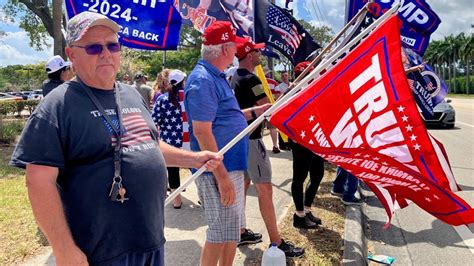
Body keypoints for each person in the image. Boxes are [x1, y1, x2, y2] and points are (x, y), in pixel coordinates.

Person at [10, 11, 222, 266]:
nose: (105, 52)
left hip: (150, 241)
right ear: (72, 54)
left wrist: (195, 158)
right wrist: (63, 249)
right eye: (93, 47)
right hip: (98, 253)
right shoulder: (56, 106)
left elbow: (149, 146)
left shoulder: (131, 95)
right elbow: (38, 181)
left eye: (112, 45)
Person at [184, 21, 269, 266]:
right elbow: (202, 132)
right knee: (219, 232)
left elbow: (229, 116)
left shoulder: (216, 77)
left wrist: (258, 111)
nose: (236, 52)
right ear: (224, 49)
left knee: (230, 231)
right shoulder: (203, 80)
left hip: (229, 166)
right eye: (234, 47)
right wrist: (221, 177)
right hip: (217, 170)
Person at [231, 37, 305, 258]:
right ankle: (277, 241)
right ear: (249, 54)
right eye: (256, 51)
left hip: (240, 139)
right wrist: (291, 94)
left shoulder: (236, 76)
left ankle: (240, 231)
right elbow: (267, 109)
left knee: (243, 185)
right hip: (252, 141)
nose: (260, 55)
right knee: (265, 189)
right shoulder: (251, 80)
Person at [289, 61, 325, 229]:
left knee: (317, 174)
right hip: (300, 140)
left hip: (314, 139)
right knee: (299, 179)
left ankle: (307, 208)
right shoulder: (292, 91)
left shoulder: (314, 90)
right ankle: (299, 215)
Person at [152, 69, 188, 209]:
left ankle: (176, 200)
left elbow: (154, 119)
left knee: (173, 170)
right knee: (196, 167)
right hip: (188, 139)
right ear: (183, 81)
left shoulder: (162, 99)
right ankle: (204, 196)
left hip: (169, 140)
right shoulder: (189, 96)